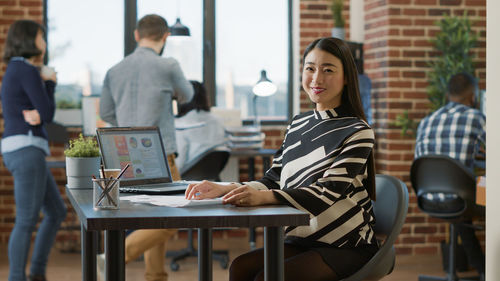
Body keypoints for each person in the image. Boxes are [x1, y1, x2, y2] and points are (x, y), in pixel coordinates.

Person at [185, 37, 378, 281]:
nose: (316, 79)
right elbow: (273, 179)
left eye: (328, 70)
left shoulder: (358, 130)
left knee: (269, 276)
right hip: (303, 238)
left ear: (347, 77)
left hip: (346, 242)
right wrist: (227, 188)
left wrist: (261, 197)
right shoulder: (299, 124)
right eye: (310, 68)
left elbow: (327, 192)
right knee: (240, 268)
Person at [99, 14, 193, 281]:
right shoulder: (168, 65)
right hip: (159, 154)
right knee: (175, 217)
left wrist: (127, 131)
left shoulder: (114, 70)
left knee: (155, 216)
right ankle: (115, 256)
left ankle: (155, 275)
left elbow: (106, 111)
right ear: (165, 37)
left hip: (121, 157)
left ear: (136, 35)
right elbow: (187, 94)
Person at [1, 20, 67, 281]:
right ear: (29, 39)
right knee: (26, 219)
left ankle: (37, 272)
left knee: (56, 212)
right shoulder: (26, 70)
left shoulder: (15, 69)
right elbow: (48, 113)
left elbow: (37, 113)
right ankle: (17, 277)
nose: (45, 43)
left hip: (21, 149)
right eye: (42, 37)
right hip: (26, 149)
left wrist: (38, 112)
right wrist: (50, 83)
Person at [414, 72, 485, 278]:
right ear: (473, 96)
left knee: (462, 195)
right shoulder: (477, 117)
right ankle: (489, 268)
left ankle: (482, 268)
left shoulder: (427, 120)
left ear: (448, 94)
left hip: (427, 198)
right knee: (490, 188)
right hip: (462, 197)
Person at [174, 80, 226, 172]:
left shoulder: (181, 124)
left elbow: (178, 165)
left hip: (188, 179)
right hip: (212, 177)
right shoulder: (217, 120)